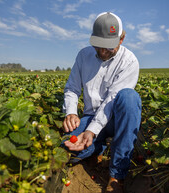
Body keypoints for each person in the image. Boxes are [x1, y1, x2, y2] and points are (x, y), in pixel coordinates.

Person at [62, 12, 141, 193]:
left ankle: (117, 174)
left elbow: (112, 100)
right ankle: (100, 146)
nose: (103, 52)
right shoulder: (83, 56)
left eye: (109, 47)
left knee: (129, 97)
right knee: (68, 147)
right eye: (99, 46)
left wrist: (91, 131)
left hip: (117, 117)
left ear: (121, 39)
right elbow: (72, 88)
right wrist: (71, 112)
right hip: (91, 117)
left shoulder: (129, 61)